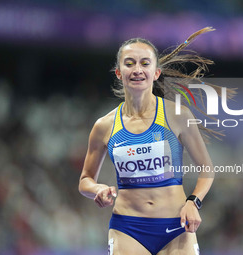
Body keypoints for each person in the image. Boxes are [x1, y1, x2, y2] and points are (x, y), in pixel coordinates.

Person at [79, 27, 221, 255]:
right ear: (118, 72)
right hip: (128, 229)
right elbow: (85, 180)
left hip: (177, 226)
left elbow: (207, 170)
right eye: (129, 63)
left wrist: (193, 202)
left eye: (145, 63)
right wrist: (98, 188)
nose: (137, 70)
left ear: (156, 72)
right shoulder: (104, 126)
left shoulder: (178, 116)